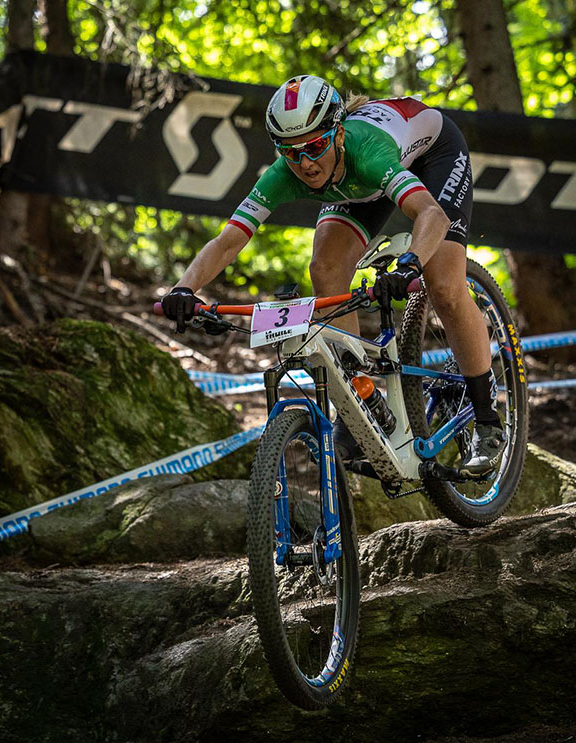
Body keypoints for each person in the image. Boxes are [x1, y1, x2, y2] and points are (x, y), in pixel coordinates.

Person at [159, 74, 504, 476]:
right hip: (358, 187)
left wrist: (411, 260)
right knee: (325, 269)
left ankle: (487, 419)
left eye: (314, 147)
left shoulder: (368, 151)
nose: (305, 163)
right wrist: (184, 288)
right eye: (290, 152)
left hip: (432, 156)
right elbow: (227, 242)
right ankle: (361, 397)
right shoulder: (286, 172)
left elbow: (432, 215)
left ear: (337, 134)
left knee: (443, 285)